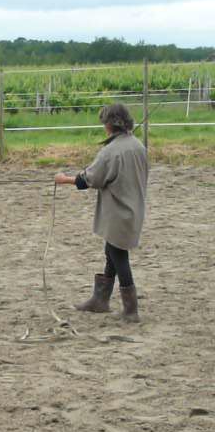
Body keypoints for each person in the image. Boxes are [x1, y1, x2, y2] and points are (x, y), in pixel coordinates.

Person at [54, 104, 148, 323]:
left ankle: (131, 310)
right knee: (111, 250)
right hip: (134, 208)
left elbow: (89, 180)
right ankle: (100, 300)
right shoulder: (138, 145)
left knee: (118, 254)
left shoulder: (110, 151)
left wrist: (64, 179)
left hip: (118, 211)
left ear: (110, 124)